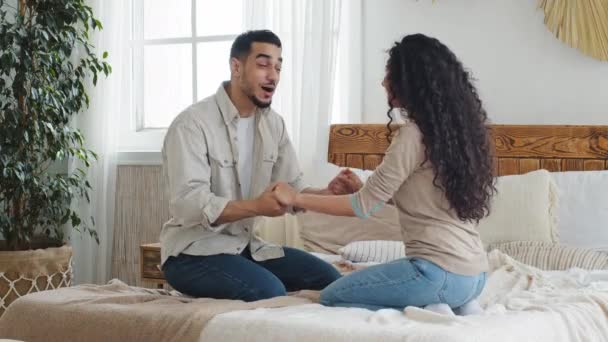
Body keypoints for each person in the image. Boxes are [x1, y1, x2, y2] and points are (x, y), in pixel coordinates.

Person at [272, 33, 495, 315]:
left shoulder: (412, 136)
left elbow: (363, 207)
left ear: (409, 80)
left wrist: (297, 198)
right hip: (474, 277)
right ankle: (452, 304)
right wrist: (359, 188)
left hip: (437, 274)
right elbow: (419, 197)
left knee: (332, 296)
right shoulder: (455, 136)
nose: (383, 81)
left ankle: (429, 305)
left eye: (389, 73)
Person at [160, 30, 343, 301]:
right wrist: (257, 206)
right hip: (191, 253)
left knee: (330, 280)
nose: (273, 75)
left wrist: (329, 193)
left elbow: (293, 190)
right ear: (236, 66)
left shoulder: (274, 124)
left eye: (278, 66)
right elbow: (188, 203)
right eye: (263, 64)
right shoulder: (192, 124)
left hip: (246, 246)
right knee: (269, 291)